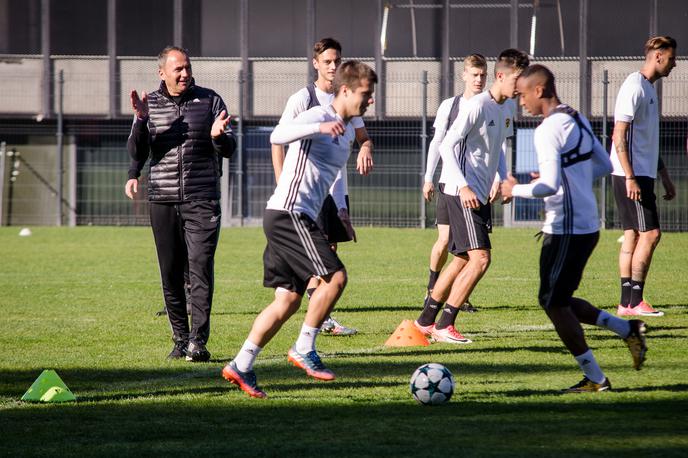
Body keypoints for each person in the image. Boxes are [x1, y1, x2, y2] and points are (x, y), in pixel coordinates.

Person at [222, 61, 377, 398]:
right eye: (365, 95)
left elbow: (339, 165)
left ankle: (241, 364)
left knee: (288, 300)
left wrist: (343, 204)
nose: (370, 101)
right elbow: (278, 135)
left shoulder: (349, 129)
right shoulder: (319, 117)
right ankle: (304, 348)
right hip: (289, 213)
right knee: (335, 277)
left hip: (294, 216)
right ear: (346, 90)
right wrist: (318, 129)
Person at [501, 64, 647, 392]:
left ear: (539, 90)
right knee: (560, 298)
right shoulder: (575, 117)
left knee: (553, 303)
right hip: (585, 225)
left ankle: (596, 379)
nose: (519, 102)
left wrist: (515, 190)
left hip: (566, 229)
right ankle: (627, 331)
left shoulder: (547, 128)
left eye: (522, 95)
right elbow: (604, 164)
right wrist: (570, 181)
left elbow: (549, 185)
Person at [125, 46, 236, 362]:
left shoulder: (210, 100)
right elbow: (137, 151)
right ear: (162, 73)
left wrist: (218, 137)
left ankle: (198, 343)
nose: (185, 73)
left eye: (187, 67)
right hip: (162, 200)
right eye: (178, 69)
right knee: (171, 273)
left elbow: (229, 148)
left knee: (200, 269)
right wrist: (140, 120)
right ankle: (179, 339)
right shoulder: (151, 106)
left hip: (202, 200)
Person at [414, 49, 528, 344]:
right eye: (518, 79)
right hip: (460, 192)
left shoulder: (506, 110)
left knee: (463, 259)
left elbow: (499, 148)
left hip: (478, 194)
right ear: (501, 76)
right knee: (480, 259)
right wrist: (463, 186)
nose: (522, 86)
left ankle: (426, 320)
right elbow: (445, 145)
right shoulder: (476, 106)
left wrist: (504, 178)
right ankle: (445, 324)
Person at [271, 37, 374, 336]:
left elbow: (363, 137)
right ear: (315, 64)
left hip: (334, 190)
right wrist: (281, 183)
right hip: (304, 195)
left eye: (337, 60)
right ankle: (318, 322)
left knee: (328, 249)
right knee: (323, 261)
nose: (333, 66)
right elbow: (279, 139)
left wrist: (365, 147)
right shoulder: (303, 99)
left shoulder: (348, 98)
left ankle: (313, 313)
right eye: (327, 61)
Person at [611, 36, 677, 317]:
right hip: (632, 175)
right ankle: (635, 300)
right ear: (658, 57)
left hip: (641, 174)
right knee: (651, 234)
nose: (674, 64)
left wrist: (664, 176)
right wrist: (630, 177)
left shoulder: (648, 89)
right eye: (672, 59)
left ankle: (626, 303)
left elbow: (646, 142)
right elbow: (618, 136)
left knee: (632, 236)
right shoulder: (634, 86)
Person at [422, 53, 490, 313]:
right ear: (464, 75)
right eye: (474, 74)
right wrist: (429, 177)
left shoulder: (488, 106)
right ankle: (432, 287)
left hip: (474, 188)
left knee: (463, 250)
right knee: (447, 240)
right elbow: (437, 143)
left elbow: (493, 149)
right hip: (450, 186)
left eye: (483, 75)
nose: (479, 79)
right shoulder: (450, 106)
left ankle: (455, 295)